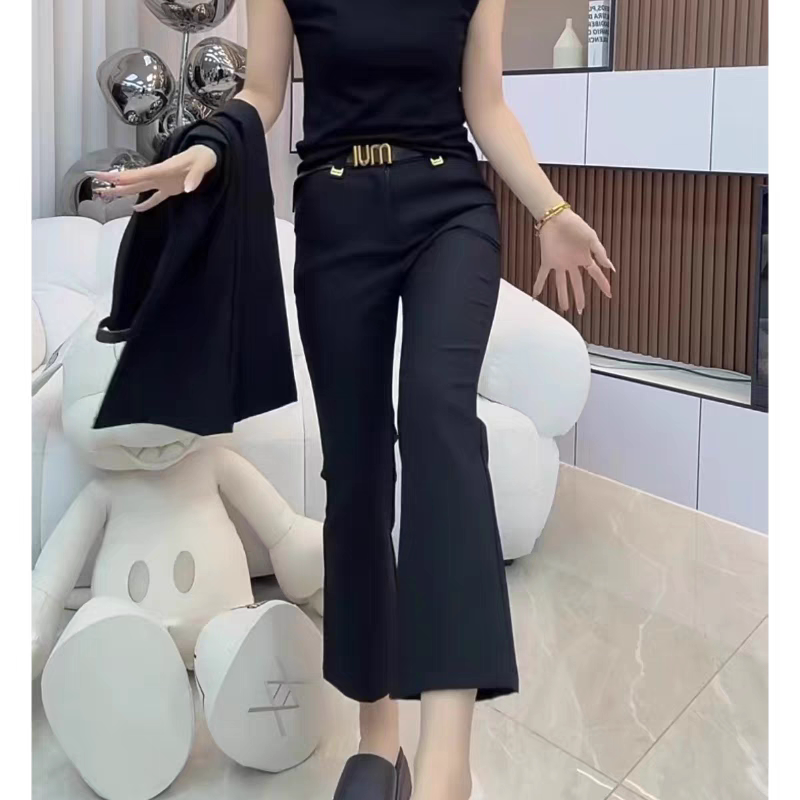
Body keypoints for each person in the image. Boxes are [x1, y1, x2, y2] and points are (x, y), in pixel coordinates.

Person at [95, 1, 614, 798]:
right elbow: (264, 91)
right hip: (336, 216)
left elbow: (486, 106)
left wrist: (552, 209)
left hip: (451, 208)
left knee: (440, 420)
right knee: (357, 470)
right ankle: (380, 740)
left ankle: (445, 766)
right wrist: (207, 145)